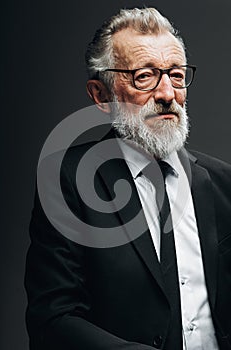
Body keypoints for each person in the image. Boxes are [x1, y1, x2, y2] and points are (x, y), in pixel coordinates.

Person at [25, 7, 231, 350]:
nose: (168, 94)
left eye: (176, 75)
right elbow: (52, 319)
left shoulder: (224, 183)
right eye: (144, 76)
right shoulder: (69, 182)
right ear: (101, 95)